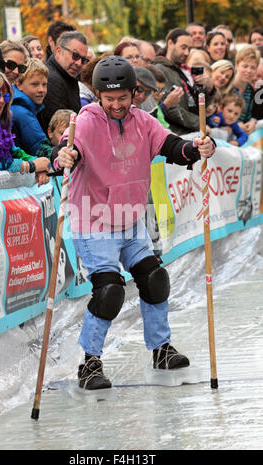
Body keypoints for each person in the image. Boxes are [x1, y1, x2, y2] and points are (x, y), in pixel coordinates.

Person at [52, 56, 216, 390]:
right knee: (110, 290)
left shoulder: (143, 121)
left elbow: (174, 147)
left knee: (154, 278)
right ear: (98, 95)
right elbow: (70, 152)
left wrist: (198, 148)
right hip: (93, 219)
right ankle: (90, 363)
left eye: (122, 98)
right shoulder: (85, 122)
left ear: (134, 93)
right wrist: (64, 156)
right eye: (108, 99)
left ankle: (161, 348)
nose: (115, 105)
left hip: (130, 219)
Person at [153, 28, 201, 135]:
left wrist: (209, 88)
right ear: (170, 43)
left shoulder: (180, 70)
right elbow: (171, 108)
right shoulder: (160, 69)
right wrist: (200, 124)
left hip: (191, 130)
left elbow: (193, 101)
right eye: (183, 47)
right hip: (177, 134)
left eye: (189, 49)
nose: (187, 52)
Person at [40, 31, 89, 134]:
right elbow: (58, 131)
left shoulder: (68, 77)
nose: (79, 63)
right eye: (75, 56)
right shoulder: (51, 80)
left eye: (83, 60)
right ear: (58, 51)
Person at [11, 58, 52, 158]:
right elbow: (42, 150)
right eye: (35, 84)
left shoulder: (20, 107)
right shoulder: (22, 113)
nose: (41, 90)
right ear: (19, 84)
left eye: (44, 84)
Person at [233, 45, 260, 134]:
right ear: (236, 65)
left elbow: (248, 117)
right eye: (245, 66)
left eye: (253, 67)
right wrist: (235, 124)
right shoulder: (227, 86)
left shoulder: (251, 90)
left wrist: (252, 122)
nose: (249, 71)